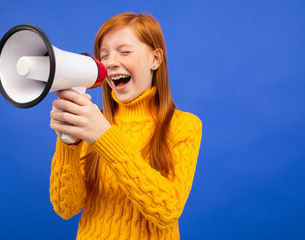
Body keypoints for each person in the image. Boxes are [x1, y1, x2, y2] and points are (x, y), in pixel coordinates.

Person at [49, 12, 202, 240]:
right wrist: (67, 143)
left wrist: (105, 137)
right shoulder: (90, 123)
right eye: (104, 55)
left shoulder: (183, 125)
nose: (110, 62)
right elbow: (65, 207)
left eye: (124, 51)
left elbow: (167, 210)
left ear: (155, 59)